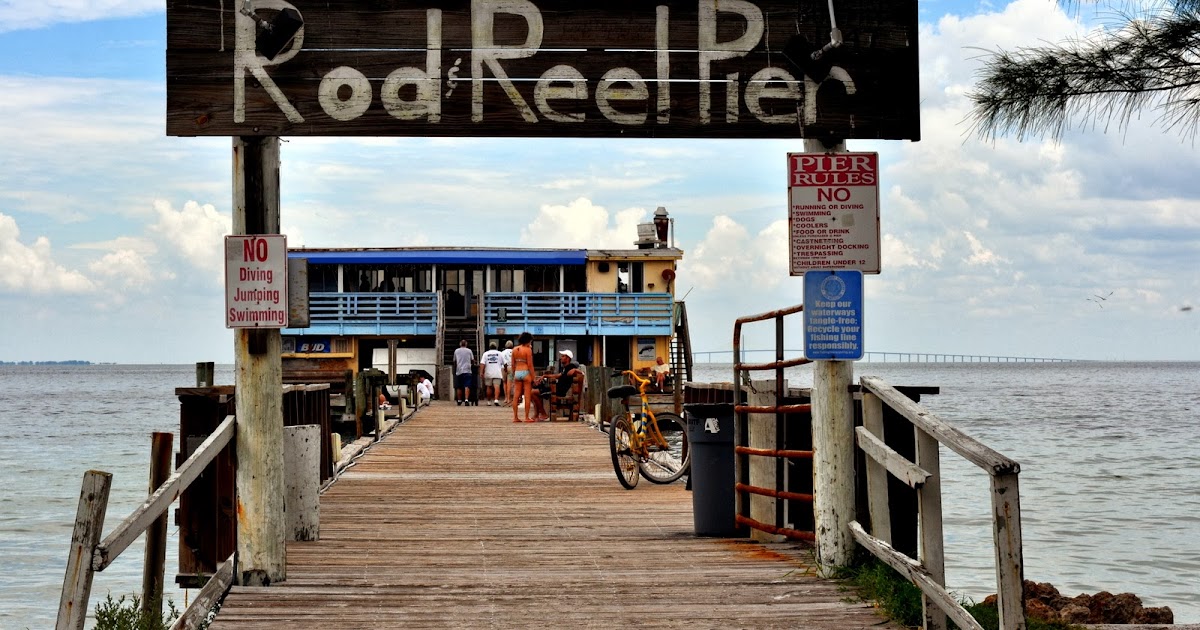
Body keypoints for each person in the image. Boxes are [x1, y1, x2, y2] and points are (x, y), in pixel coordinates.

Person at [530, 349, 583, 421]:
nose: (561, 358)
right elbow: (558, 375)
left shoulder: (571, 367)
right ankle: (536, 415)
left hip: (558, 391)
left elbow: (580, 373)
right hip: (556, 389)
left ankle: (543, 414)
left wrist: (576, 370)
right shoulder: (566, 368)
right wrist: (545, 376)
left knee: (533, 393)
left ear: (568, 358)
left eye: (563, 356)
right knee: (536, 390)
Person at [510, 332, 535, 422]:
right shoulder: (528, 350)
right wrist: (533, 377)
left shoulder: (514, 349)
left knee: (516, 396)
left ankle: (515, 417)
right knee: (527, 396)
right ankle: (526, 417)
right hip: (526, 372)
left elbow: (513, 364)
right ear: (528, 341)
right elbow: (530, 365)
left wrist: (513, 375)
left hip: (517, 372)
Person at [479, 341, 505, 406]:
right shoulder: (500, 353)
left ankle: (489, 401)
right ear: (496, 347)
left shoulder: (485, 354)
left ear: (489, 347)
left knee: (489, 387)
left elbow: (482, 364)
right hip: (497, 372)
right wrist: (506, 369)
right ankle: (496, 400)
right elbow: (505, 363)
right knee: (497, 386)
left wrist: (481, 372)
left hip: (488, 372)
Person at [453, 339, 474, 406]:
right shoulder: (469, 351)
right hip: (467, 370)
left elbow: (454, 361)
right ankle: (466, 400)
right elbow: (472, 360)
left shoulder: (456, 351)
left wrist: (456, 368)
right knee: (467, 386)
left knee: (459, 386)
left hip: (459, 370)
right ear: (466, 344)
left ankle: (459, 400)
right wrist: (472, 364)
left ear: (460, 344)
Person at [500, 339, 514, 404]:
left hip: (503, 368)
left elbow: (501, 361)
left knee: (504, 382)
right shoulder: (514, 351)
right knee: (510, 383)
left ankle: (505, 398)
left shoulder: (502, 352)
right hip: (511, 367)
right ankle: (509, 398)